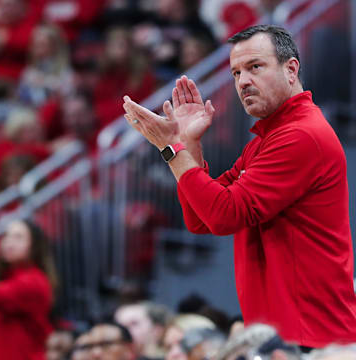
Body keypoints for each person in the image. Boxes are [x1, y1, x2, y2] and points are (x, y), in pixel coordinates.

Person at [123, 24, 356, 348]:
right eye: (235, 73)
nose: (243, 81)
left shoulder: (300, 136)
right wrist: (187, 143)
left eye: (255, 67)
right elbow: (201, 219)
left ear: (291, 69)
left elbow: (224, 215)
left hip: (312, 339)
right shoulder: (268, 138)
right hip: (291, 338)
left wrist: (171, 150)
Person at [0, 219, 58, 359]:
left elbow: (2, 294)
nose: (9, 242)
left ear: (34, 245)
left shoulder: (34, 281)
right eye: (6, 236)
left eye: (18, 237)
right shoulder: (7, 278)